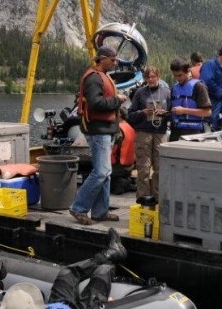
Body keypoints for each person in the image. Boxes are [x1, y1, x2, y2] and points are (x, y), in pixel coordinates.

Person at [0, 228, 127, 309]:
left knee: (67, 272)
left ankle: (108, 254)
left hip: (57, 304)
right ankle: (110, 257)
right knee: (102, 272)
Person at [69, 46, 128, 226]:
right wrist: (118, 100)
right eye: (113, 59)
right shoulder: (94, 78)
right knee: (101, 171)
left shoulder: (101, 76)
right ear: (102, 59)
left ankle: (100, 212)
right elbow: (96, 103)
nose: (115, 62)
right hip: (98, 130)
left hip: (106, 129)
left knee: (106, 173)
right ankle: (78, 207)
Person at [127, 65, 170, 199]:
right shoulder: (140, 93)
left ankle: (158, 198)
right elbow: (130, 114)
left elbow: (173, 113)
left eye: (153, 76)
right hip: (143, 133)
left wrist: (164, 113)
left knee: (159, 167)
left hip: (160, 132)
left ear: (158, 76)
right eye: (148, 77)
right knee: (143, 167)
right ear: (145, 78)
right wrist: (143, 112)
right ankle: (142, 198)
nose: (151, 79)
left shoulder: (167, 92)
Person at [169, 56, 212, 142]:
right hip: (176, 134)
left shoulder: (198, 86)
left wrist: (184, 110)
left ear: (188, 71)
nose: (177, 78)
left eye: (180, 75)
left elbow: (207, 112)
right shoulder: (174, 88)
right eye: (175, 76)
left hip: (194, 134)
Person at [110, 107, 136, 195]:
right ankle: (126, 182)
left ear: (119, 115)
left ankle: (122, 183)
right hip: (129, 166)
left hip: (118, 166)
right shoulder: (130, 128)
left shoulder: (117, 129)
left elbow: (109, 145)